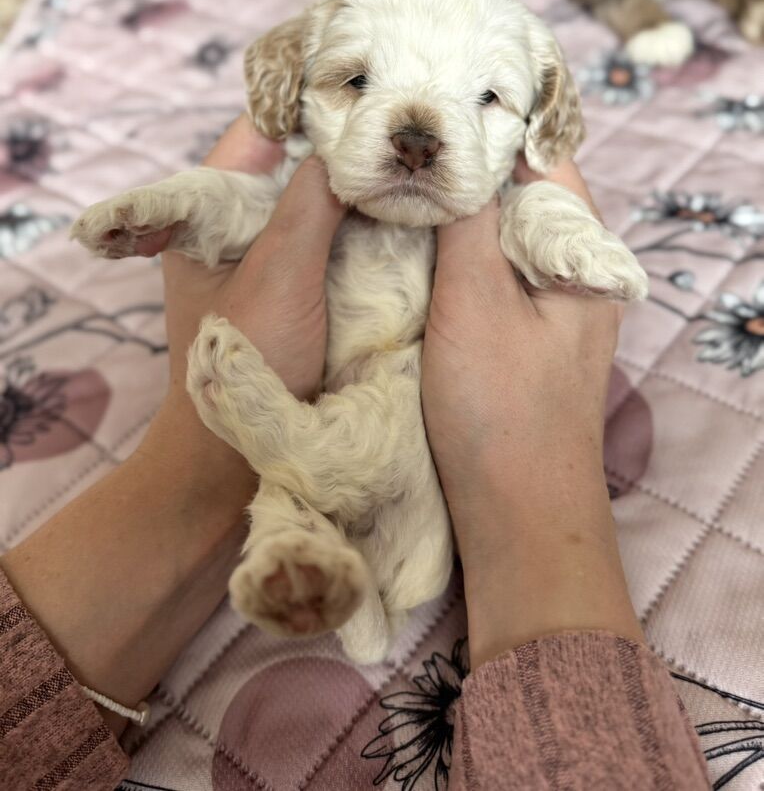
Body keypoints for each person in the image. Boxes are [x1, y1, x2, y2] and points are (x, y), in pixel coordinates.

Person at [0, 116, 709, 790]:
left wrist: (562, 231)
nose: (415, 136)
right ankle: (298, 542)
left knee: (374, 412)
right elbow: (244, 206)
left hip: (397, 450)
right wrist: (186, 205)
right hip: (375, 452)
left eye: (484, 97)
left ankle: (281, 466)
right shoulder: (319, 162)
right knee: (317, 467)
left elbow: (531, 214)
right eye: (359, 80)